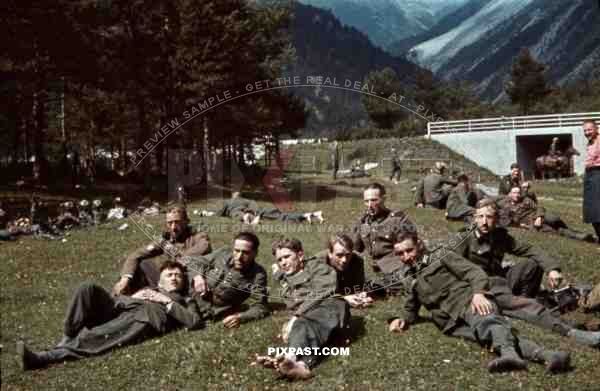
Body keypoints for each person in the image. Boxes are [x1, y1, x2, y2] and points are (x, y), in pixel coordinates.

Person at [387, 231, 571, 373]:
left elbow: (474, 272)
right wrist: (401, 319)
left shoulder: (440, 255)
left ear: (419, 245)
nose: (407, 256)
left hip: (468, 301)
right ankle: (550, 356)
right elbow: (412, 305)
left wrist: (478, 294)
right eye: (400, 253)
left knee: (487, 322)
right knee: (488, 336)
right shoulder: (408, 275)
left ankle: (509, 355)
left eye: (409, 250)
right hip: (449, 322)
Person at [17, 261, 203, 370]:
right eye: (169, 275)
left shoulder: (185, 300)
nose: (174, 278)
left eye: (178, 275)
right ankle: (67, 337)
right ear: (160, 279)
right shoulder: (148, 288)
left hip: (142, 318)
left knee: (94, 338)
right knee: (87, 288)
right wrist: (133, 296)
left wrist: (165, 300)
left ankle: (42, 358)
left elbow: (195, 322)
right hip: (121, 306)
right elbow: (138, 261)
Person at [255, 238, 350, 380]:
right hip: (314, 324)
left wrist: (296, 317)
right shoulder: (286, 278)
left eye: (287, 257)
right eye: (279, 260)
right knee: (307, 329)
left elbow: (323, 291)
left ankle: (289, 357)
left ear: (300, 255)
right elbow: (292, 302)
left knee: (304, 322)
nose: (283, 263)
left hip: (332, 309)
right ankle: (301, 365)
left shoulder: (316, 266)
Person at [450, 198, 562, 298]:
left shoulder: (500, 236)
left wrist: (552, 269)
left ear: (497, 219)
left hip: (499, 280)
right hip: (480, 287)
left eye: (489, 217)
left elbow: (529, 249)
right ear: (475, 219)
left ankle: (525, 301)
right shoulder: (464, 238)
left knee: (534, 264)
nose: (484, 222)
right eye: (480, 217)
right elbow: (452, 268)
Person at [112, 205, 211, 295]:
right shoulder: (166, 239)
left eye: (177, 222)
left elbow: (198, 252)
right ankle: (119, 300)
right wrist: (125, 279)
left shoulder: (199, 236)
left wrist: (172, 253)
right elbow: (136, 255)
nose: (173, 227)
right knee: (141, 264)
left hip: (190, 279)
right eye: (170, 223)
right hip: (169, 278)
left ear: (186, 222)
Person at [184, 231, 270, 328]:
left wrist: (241, 317)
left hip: (205, 312)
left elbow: (260, 307)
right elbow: (193, 261)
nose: (239, 257)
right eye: (236, 250)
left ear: (255, 253)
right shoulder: (222, 254)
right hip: (186, 295)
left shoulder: (258, 274)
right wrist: (197, 276)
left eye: (245, 253)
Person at [351, 183, 415, 295]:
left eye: (374, 200)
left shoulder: (397, 220)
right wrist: (359, 226)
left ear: (383, 199)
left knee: (410, 282)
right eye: (366, 201)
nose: (369, 205)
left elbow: (411, 251)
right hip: (380, 270)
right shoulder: (363, 221)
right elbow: (355, 248)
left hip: (399, 268)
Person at [498, 186, 595, 242]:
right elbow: (506, 221)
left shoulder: (526, 199)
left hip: (539, 217)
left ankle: (583, 235)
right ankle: (585, 238)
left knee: (554, 220)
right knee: (556, 232)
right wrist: (521, 226)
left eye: (518, 193)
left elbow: (539, 207)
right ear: (510, 194)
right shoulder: (505, 206)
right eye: (514, 193)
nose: (517, 195)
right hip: (532, 224)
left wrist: (539, 217)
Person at [307, 235, 373, 308]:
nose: (344, 260)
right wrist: (344, 299)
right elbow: (320, 294)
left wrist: (362, 295)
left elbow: (359, 285)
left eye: (348, 255)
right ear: (330, 253)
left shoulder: (356, 260)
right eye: (339, 255)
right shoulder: (318, 263)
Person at [201, 192, 323, 224]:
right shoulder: (247, 200)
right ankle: (306, 215)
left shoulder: (227, 202)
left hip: (243, 212)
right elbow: (255, 206)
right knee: (280, 215)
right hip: (257, 211)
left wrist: (205, 213)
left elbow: (218, 212)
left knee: (237, 214)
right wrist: (254, 211)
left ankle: (248, 219)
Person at [582, 119, 600, 243]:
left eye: (589, 129)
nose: (587, 132)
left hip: (598, 174)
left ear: (596, 129)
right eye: (585, 130)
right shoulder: (590, 143)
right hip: (590, 175)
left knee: (597, 208)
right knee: (590, 208)